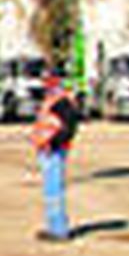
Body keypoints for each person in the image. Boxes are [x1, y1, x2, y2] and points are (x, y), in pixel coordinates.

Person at [29, 69, 79, 241]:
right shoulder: (51, 99)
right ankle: (53, 226)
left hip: (54, 150)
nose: (45, 83)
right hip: (47, 149)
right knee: (50, 190)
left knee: (54, 190)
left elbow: (69, 126)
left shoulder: (61, 100)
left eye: (48, 80)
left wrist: (54, 143)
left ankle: (59, 230)